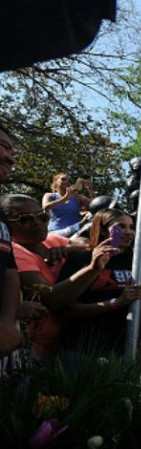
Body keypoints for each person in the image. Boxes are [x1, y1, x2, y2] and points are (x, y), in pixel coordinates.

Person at [0, 194, 95, 361]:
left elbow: (91, 247)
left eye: (42, 217)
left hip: (62, 345)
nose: (38, 223)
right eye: (26, 219)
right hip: (29, 351)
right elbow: (49, 299)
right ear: (6, 224)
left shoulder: (53, 241)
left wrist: (72, 250)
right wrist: (93, 268)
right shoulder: (14, 253)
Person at [56, 209, 141, 356]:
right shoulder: (82, 260)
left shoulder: (139, 263)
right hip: (79, 348)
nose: (129, 232)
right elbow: (66, 309)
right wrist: (116, 303)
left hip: (121, 349)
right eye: (121, 227)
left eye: (132, 227)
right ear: (103, 230)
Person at [0, 126, 22, 357]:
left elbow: (9, 272)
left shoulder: (1, 218)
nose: (11, 158)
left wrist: (6, 322)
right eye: (4, 147)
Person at [42, 173, 94, 237]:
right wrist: (65, 198)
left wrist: (90, 190)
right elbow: (46, 207)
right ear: (56, 182)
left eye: (69, 180)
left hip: (75, 233)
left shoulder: (78, 197)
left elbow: (97, 205)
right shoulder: (49, 195)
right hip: (55, 232)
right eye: (63, 179)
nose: (67, 181)